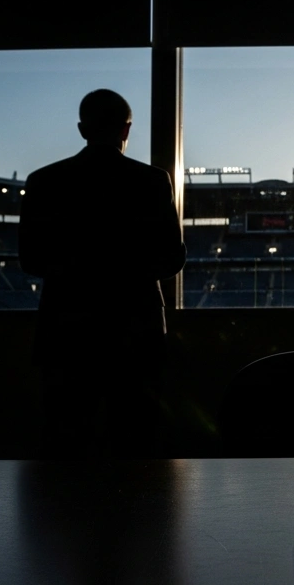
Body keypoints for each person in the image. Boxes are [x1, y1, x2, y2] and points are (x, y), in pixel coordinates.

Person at [18, 89, 186, 457]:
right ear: (126, 130)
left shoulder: (44, 181)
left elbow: (30, 260)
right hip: (137, 332)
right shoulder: (153, 181)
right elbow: (172, 258)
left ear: (82, 129)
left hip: (66, 332)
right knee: (136, 444)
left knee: (66, 445)